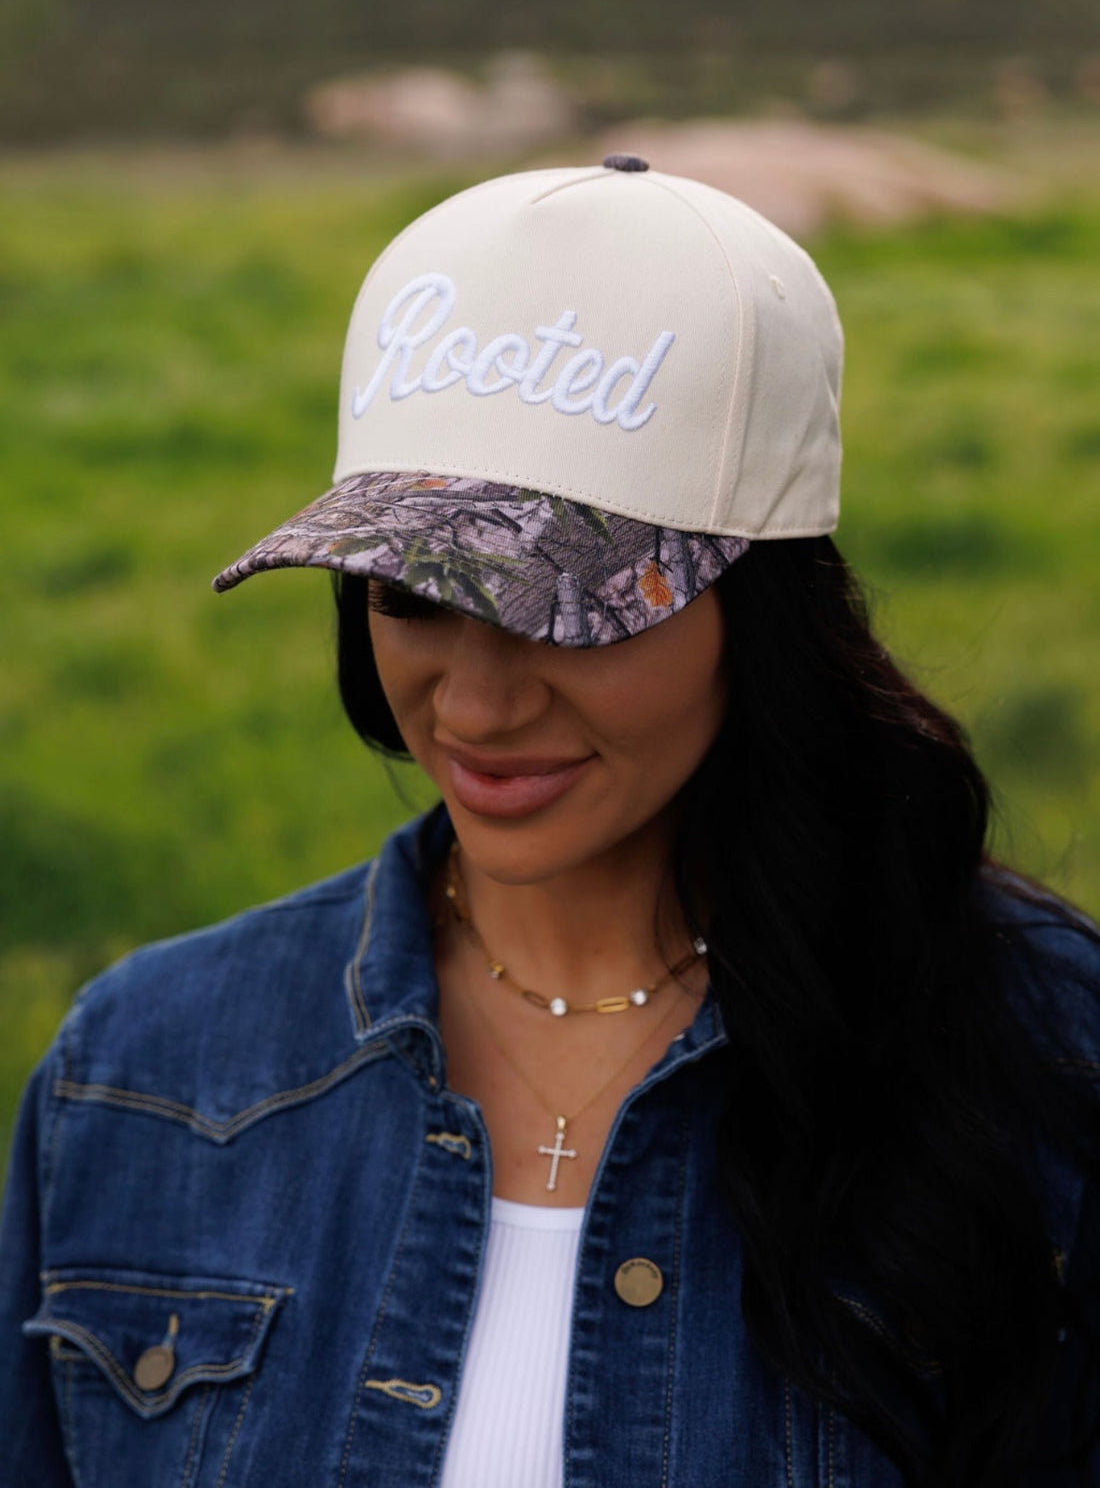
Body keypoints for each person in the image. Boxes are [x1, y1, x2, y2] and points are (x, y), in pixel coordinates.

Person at [1, 154, 1098, 1488]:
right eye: (409, 593)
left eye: (563, 606)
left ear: (761, 609)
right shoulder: (144, 1077)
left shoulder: (1039, 1057)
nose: (474, 699)